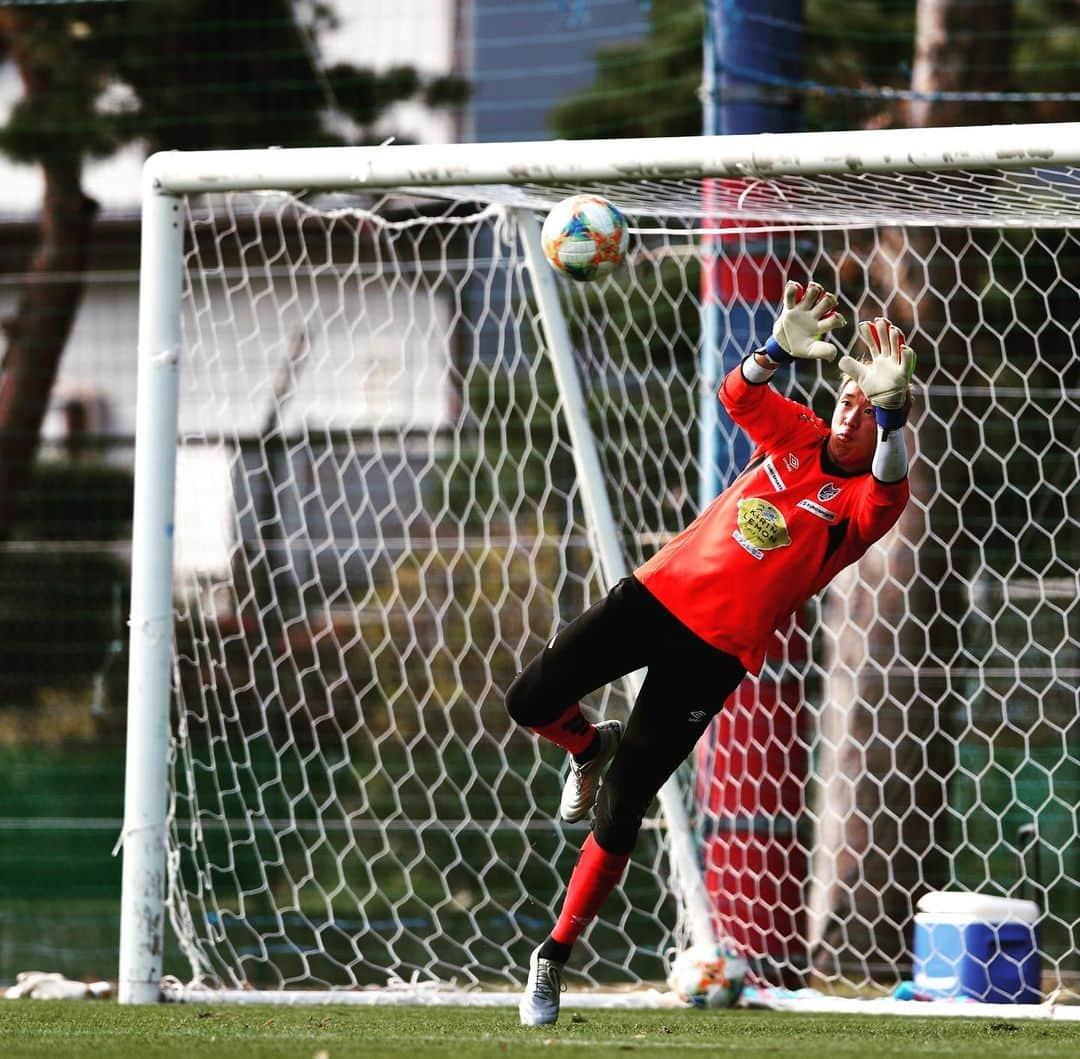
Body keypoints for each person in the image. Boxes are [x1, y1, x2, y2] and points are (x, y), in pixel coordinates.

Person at [504, 280, 918, 1026]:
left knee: (626, 801)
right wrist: (771, 352)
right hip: (653, 596)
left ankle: (552, 957)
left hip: (715, 653)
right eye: (849, 395)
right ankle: (584, 742)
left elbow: (890, 473)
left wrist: (895, 415)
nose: (852, 407)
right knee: (528, 701)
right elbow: (736, 396)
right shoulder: (793, 432)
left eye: (866, 407)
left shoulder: (863, 505)